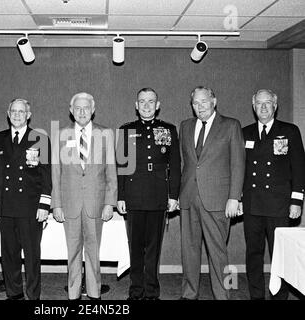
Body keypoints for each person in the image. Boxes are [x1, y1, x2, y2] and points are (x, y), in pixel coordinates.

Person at [178, 86, 245, 300]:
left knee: (218, 253)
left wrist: (234, 197)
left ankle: (222, 295)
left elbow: (238, 164)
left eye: (204, 102)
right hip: (189, 197)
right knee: (189, 252)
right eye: (195, 103)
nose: (200, 107)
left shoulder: (231, 125)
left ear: (214, 101)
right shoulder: (185, 126)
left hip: (217, 200)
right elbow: (185, 163)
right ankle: (189, 294)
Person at [51, 92, 117, 300]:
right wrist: (56, 204)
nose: (82, 112)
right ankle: (73, 294)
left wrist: (109, 202)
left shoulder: (105, 133)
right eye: (77, 108)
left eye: (86, 108)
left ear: (93, 110)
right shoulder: (60, 135)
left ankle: (95, 293)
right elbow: (56, 172)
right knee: (72, 252)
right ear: (71, 111)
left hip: (96, 203)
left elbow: (111, 170)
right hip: (69, 204)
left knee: (93, 252)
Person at [117, 88, 181, 300]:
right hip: (134, 196)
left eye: (150, 101)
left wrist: (173, 196)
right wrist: (121, 196)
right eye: (142, 101)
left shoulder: (169, 129)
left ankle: (152, 293)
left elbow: (174, 164)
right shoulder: (126, 130)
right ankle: (136, 292)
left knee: (154, 248)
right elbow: (121, 167)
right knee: (135, 248)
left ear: (158, 104)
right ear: (136, 105)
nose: (146, 105)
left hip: (157, 195)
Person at [241, 89, 305, 300]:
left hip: (279, 205)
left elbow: (299, 168)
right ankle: (256, 296)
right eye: (259, 103)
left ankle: (280, 297)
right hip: (252, 205)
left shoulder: (289, 131)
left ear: (275, 105)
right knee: (253, 255)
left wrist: (296, 201)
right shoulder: (245, 132)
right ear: (253, 105)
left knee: (281, 256)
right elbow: (239, 169)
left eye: (268, 103)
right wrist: (238, 197)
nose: (264, 107)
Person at [0, 98, 51, 300]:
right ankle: (14, 294)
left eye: (21, 112)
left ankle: (33, 296)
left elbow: (46, 174)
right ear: (8, 113)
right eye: (13, 111)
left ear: (28, 115)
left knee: (32, 256)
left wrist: (44, 204)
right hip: (6, 206)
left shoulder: (40, 138)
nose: (17, 115)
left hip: (30, 207)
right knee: (9, 255)